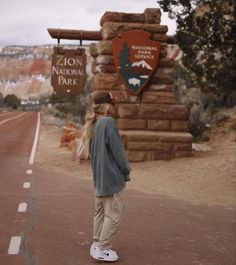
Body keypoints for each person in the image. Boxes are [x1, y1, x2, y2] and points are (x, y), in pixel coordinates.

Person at [77, 91, 131, 262]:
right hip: (112, 179)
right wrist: (126, 171)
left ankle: (96, 244)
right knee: (114, 215)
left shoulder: (94, 125)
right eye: (111, 104)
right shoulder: (108, 123)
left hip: (99, 179)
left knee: (100, 213)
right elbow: (118, 152)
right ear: (106, 106)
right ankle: (102, 248)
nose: (113, 107)